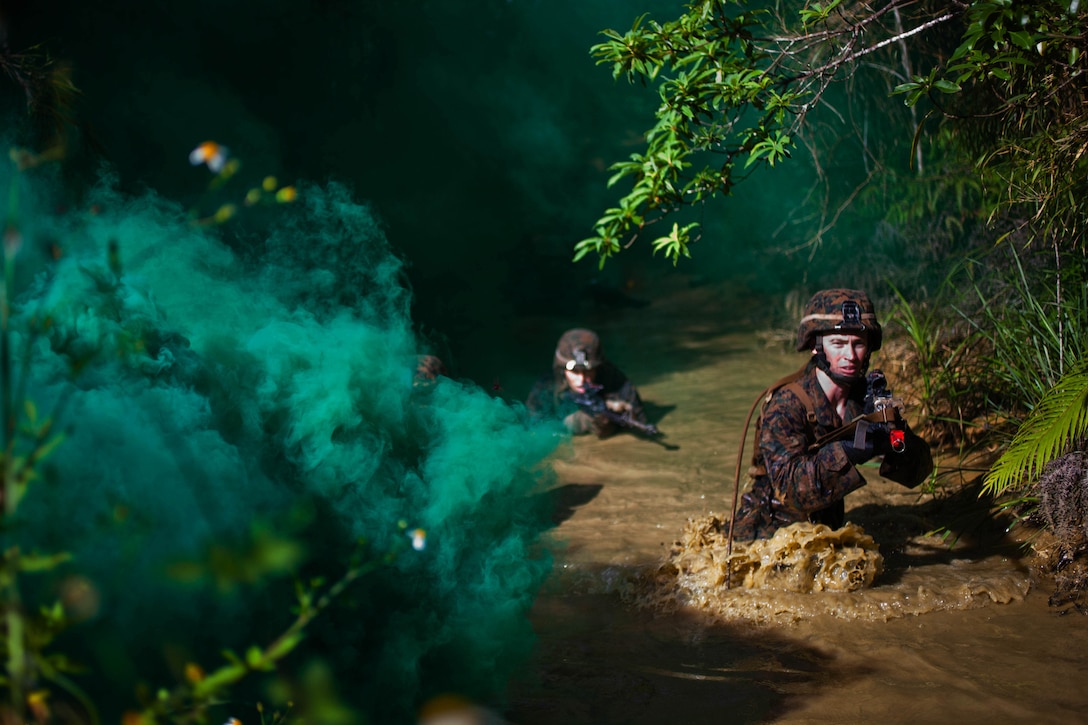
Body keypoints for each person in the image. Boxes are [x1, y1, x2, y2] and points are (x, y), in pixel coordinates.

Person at [730, 289, 933, 541]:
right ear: (816, 347)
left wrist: (893, 436)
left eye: (858, 343)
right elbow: (791, 490)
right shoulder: (787, 404)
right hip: (769, 531)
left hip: (827, 529)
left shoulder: (864, 398)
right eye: (838, 343)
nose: (850, 355)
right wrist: (850, 449)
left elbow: (918, 474)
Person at [526, 328, 647, 437]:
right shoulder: (548, 385)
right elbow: (532, 427)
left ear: (598, 369)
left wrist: (619, 419)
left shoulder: (616, 381)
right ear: (562, 370)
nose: (582, 379)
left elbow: (641, 423)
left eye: (588, 372)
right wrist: (571, 424)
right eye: (574, 371)